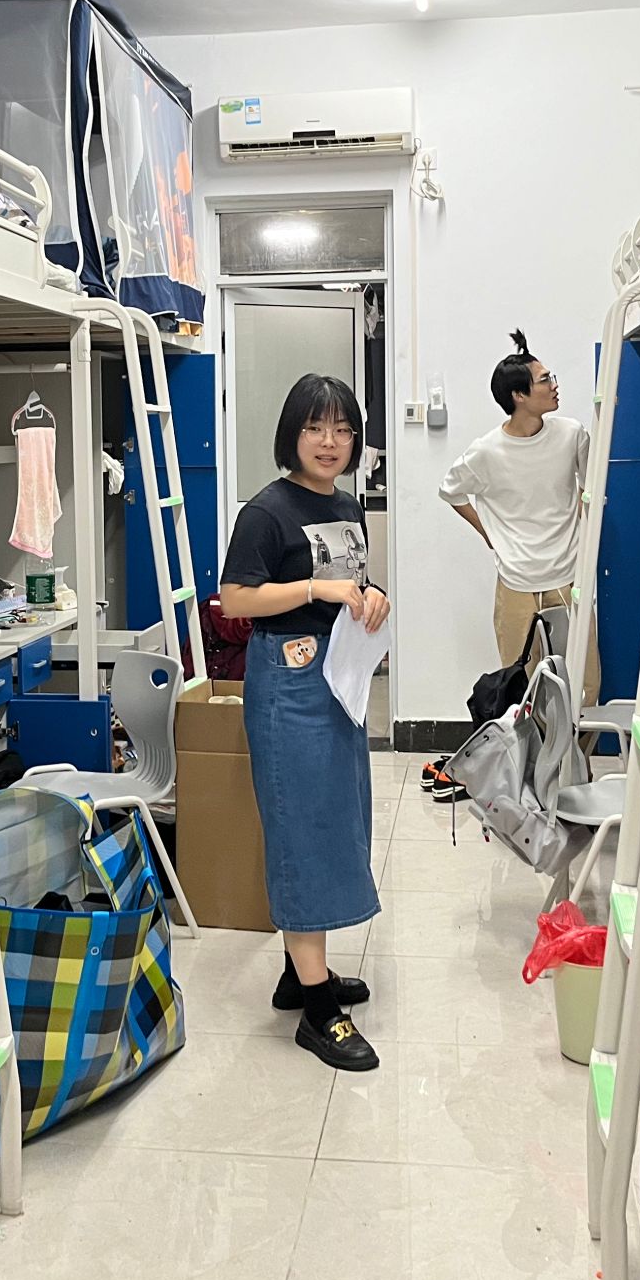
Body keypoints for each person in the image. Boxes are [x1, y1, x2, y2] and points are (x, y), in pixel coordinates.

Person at [218, 373, 391, 1071]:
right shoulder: (267, 510)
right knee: (301, 828)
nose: (330, 442)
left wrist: (371, 597)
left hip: (338, 679)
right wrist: (317, 586)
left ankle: (300, 973)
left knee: (337, 818)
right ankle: (318, 1011)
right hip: (286, 684)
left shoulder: (347, 505)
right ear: (292, 433)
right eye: (316, 427)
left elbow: (351, 585)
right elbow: (236, 599)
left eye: (343, 429)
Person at [437, 331, 598, 792]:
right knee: (520, 688)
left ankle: (570, 777)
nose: (554, 385)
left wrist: (581, 528)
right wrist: (490, 535)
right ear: (518, 396)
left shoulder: (571, 435)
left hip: (567, 579)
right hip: (516, 584)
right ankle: (529, 782)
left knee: (585, 685)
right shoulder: (488, 451)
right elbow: (450, 490)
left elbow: (591, 488)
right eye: (545, 380)